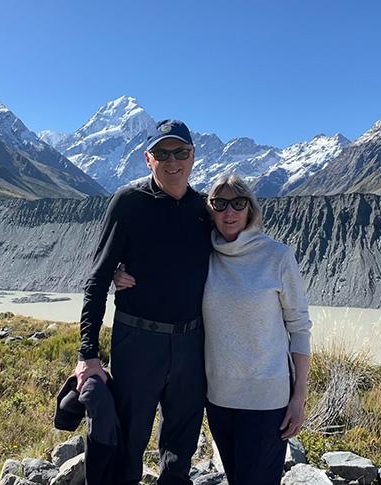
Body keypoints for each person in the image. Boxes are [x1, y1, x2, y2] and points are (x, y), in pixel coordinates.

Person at [115, 174, 312, 485]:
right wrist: (119, 269)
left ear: (250, 209)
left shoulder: (277, 256)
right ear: (209, 211)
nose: (229, 212)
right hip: (219, 399)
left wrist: (299, 398)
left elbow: (299, 328)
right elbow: (165, 263)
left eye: (238, 203)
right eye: (219, 204)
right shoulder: (204, 253)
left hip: (266, 401)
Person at [75, 119, 213, 485]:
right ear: (147, 159)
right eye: (162, 153)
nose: (173, 162)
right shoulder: (128, 202)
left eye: (180, 152)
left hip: (191, 345)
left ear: (193, 157)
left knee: (180, 449)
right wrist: (87, 353)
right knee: (127, 446)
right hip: (137, 342)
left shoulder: (205, 209)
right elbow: (98, 278)